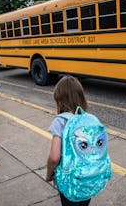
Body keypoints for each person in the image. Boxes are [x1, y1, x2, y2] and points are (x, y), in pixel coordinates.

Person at [46, 75, 91, 206]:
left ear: (59, 99)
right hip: (88, 178)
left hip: (69, 181)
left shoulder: (60, 121)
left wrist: (49, 173)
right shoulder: (88, 118)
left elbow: (54, 157)